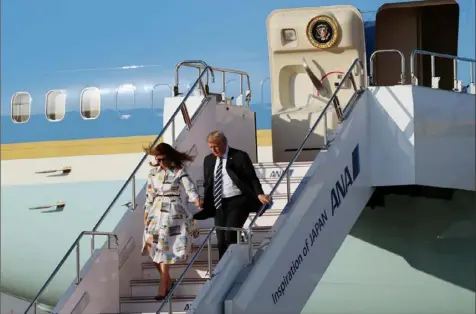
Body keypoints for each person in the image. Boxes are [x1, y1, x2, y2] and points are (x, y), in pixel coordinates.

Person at [193, 131, 272, 259]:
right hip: (218, 203)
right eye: (210, 147)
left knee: (230, 236)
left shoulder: (239, 156)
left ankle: (233, 264)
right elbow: (208, 183)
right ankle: (222, 270)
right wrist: (204, 201)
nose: (213, 150)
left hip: (237, 201)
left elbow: (252, 177)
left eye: (216, 146)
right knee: (221, 240)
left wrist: (259, 194)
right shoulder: (209, 160)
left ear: (224, 143)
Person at [141, 142, 202, 301]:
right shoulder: (153, 173)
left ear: (170, 157)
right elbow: (149, 195)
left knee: (162, 246)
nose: (160, 162)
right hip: (155, 211)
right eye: (158, 159)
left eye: (163, 159)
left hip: (172, 212)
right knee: (151, 246)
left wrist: (196, 199)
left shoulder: (178, 171)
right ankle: (167, 278)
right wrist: (146, 212)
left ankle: (163, 285)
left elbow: (189, 188)